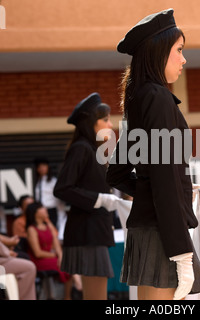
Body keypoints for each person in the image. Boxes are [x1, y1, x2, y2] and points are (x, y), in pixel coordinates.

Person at [106, 8, 200, 300]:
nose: (184, 59)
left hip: (151, 229)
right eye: (179, 50)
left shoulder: (140, 99)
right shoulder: (158, 99)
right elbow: (163, 177)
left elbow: (118, 173)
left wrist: (176, 188)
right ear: (159, 51)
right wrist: (181, 254)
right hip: (165, 237)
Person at [53, 93, 119, 300]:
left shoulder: (94, 150)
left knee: (97, 292)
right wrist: (99, 200)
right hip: (86, 231)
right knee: (96, 293)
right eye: (105, 119)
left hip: (95, 229)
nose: (111, 123)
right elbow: (62, 188)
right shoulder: (81, 148)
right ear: (92, 122)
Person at [25, 202, 72, 300]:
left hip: (51, 257)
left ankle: (68, 296)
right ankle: (76, 290)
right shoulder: (31, 229)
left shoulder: (48, 225)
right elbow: (37, 253)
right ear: (35, 212)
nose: (45, 209)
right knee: (68, 265)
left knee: (68, 262)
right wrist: (55, 256)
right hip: (40, 260)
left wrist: (60, 256)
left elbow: (56, 244)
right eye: (42, 208)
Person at [34, 158, 67, 236]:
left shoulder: (53, 181)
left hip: (52, 211)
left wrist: (60, 212)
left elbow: (59, 200)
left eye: (44, 166)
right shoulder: (37, 182)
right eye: (39, 167)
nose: (42, 169)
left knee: (53, 231)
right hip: (40, 211)